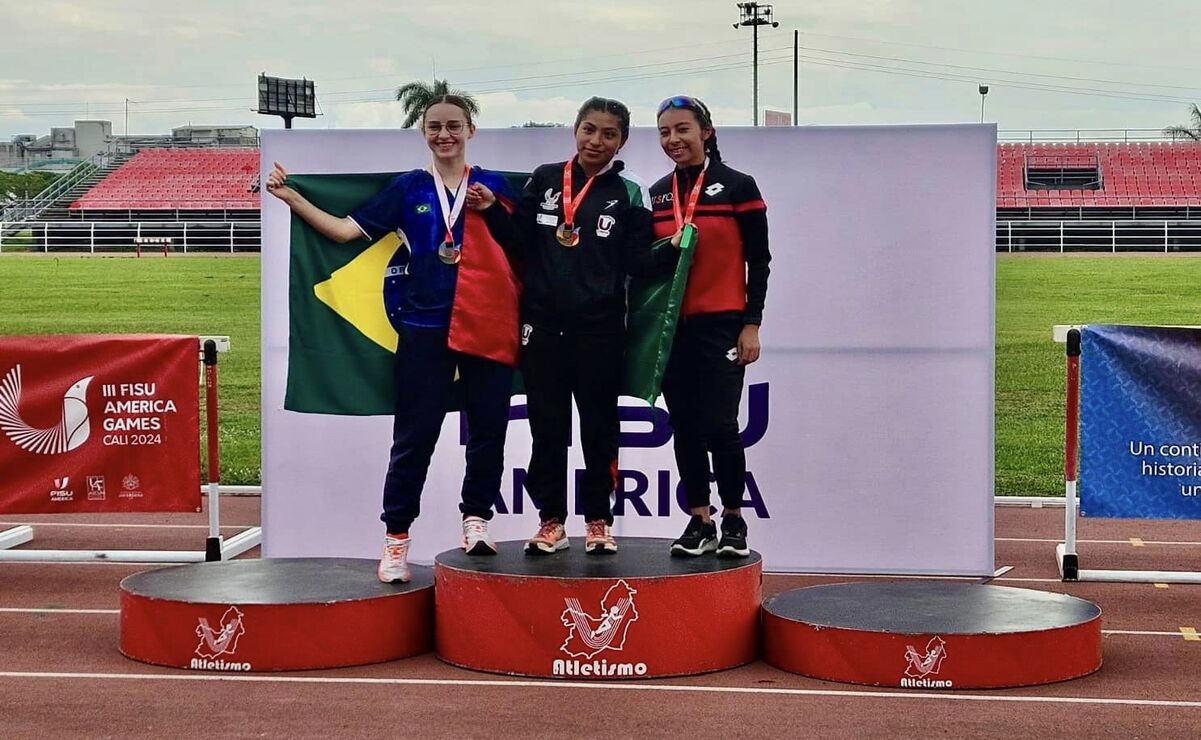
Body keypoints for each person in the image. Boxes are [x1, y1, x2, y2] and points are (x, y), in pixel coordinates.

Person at [265, 95, 520, 583]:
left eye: (454, 126)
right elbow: (343, 232)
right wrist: (293, 198)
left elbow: (527, 243)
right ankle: (396, 540)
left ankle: (476, 520)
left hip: (487, 324)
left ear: (471, 130)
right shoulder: (407, 189)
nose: (444, 135)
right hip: (424, 327)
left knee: (488, 429)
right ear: (424, 133)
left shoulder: (495, 186)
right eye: (434, 127)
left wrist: (499, 213)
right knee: (414, 437)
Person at [473, 97, 663, 555]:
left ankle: (599, 519)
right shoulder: (544, 179)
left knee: (599, 428)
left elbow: (638, 260)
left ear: (622, 140)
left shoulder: (630, 191)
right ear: (575, 130)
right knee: (548, 428)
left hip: (599, 329)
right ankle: (551, 521)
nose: (597, 141)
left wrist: (673, 247)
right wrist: (491, 211)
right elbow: (519, 243)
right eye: (589, 130)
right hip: (541, 327)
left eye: (609, 134)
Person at [650, 95, 770, 558]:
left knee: (721, 423)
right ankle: (698, 519)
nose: (674, 139)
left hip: (722, 325)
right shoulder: (658, 193)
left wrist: (752, 324)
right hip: (673, 328)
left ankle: (734, 521)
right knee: (684, 425)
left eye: (682, 129)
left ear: (706, 131)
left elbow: (759, 261)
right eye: (664, 132)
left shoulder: (739, 186)